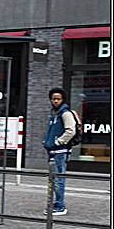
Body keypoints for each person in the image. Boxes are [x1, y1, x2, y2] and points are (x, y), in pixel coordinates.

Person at [43, 87, 76, 217]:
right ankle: (55, 203)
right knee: (54, 179)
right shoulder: (53, 113)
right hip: (52, 151)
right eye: (53, 99)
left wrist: (58, 142)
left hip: (60, 151)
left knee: (58, 180)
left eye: (58, 99)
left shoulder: (65, 113)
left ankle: (60, 206)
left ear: (62, 100)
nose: (55, 101)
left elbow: (71, 131)